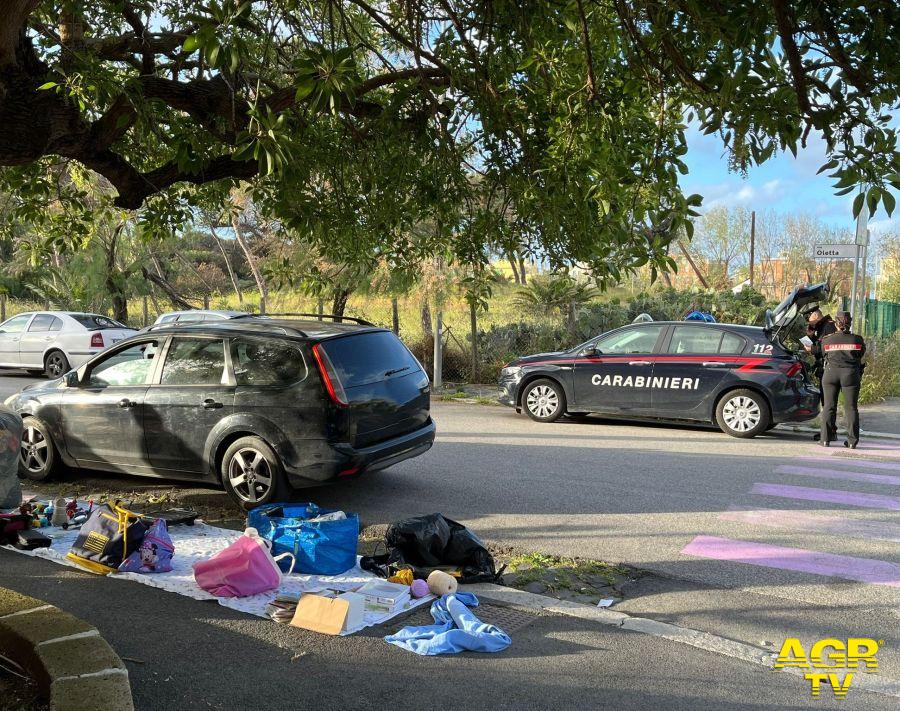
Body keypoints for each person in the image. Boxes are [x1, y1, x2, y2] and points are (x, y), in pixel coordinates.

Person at [817, 311, 866, 449]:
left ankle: (825, 439)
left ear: (836, 324)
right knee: (851, 408)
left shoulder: (827, 340)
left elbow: (822, 353)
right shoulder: (857, 339)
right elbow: (860, 354)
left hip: (830, 374)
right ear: (850, 323)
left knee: (829, 406)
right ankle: (852, 441)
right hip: (850, 375)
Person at [805, 308, 837, 441]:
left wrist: (811, 348)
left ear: (816, 316)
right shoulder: (822, 327)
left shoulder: (828, 326)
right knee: (827, 403)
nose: (809, 323)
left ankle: (829, 432)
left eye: (810, 320)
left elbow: (826, 349)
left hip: (829, 369)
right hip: (825, 369)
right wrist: (810, 337)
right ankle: (829, 431)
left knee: (829, 403)